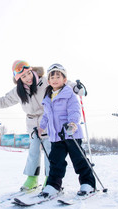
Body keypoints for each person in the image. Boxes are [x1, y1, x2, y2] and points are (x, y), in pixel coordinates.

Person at [0, 60, 86, 191]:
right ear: (18, 79)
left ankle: (50, 179)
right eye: (23, 76)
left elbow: (63, 82)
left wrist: (76, 87)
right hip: (32, 124)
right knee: (33, 151)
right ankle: (32, 179)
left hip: (48, 119)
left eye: (28, 73)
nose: (28, 78)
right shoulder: (18, 91)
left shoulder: (45, 81)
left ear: (32, 71)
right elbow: (3, 101)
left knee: (50, 151)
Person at [38, 63, 96, 198]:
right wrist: (42, 127)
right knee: (55, 161)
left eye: (58, 76)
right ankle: (53, 185)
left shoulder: (69, 94)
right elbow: (46, 115)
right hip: (56, 136)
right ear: (48, 81)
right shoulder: (47, 97)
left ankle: (88, 183)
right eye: (52, 77)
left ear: (64, 80)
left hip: (70, 133)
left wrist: (73, 123)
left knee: (79, 159)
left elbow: (74, 110)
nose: (55, 79)